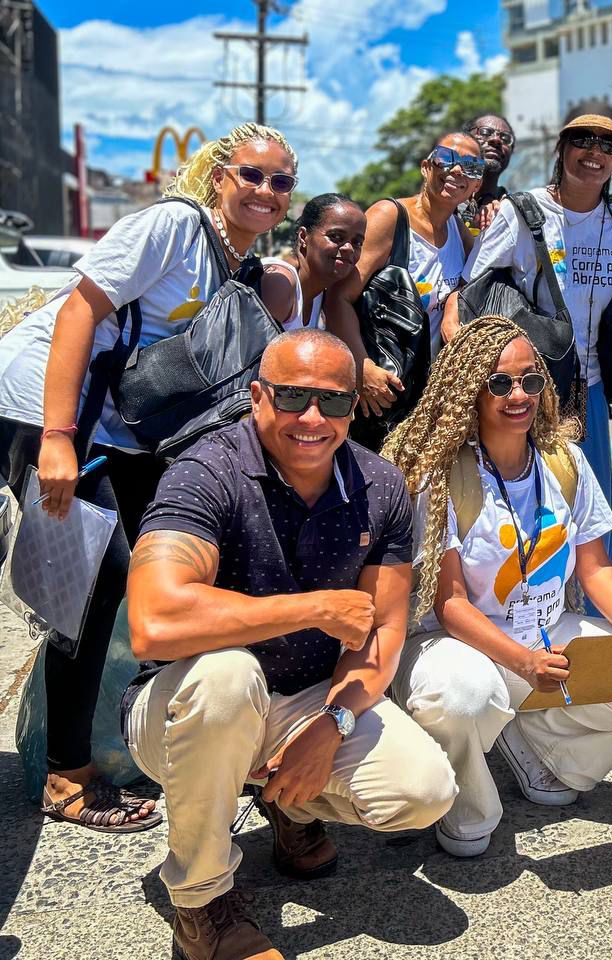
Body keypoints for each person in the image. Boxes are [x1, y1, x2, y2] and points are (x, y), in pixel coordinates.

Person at [0, 122, 297, 835]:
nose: (265, 191)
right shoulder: (174, 227)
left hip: (110, 426)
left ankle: (132, 735)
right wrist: (57, 439)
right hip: (40, 404)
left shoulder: (236, 266)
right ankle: (66, 774)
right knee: (98, 578)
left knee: (151, 569)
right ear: (220, 175)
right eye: (252, 175)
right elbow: (78, 312)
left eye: (280, 181)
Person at [123, 330, 456, 960]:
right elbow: (154, 618)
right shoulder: (207, 471)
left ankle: (293, 809)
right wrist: (313, 609)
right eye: (292, 397)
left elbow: (381, 633)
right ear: (257, 398)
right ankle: (201, 906)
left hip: (306, 698)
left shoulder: (381, 487)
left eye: (332, 401)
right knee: (227, 677)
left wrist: (331, 724)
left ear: (353, 407)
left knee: (425, 790)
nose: (312, 418)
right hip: (184, 705)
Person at [385, 315, 612, 858]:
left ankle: (540, 751)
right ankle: (469, 803)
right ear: (471, 390)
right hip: (462, 645)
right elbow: (451, 603)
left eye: (531, 380)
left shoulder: (565, 462)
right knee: (464, 698)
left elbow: (596, 568)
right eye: (501, 383)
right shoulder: (445, 475)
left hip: (545, 632)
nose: (520, 395)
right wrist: (523, 663)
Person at [443, 114, 612, 533]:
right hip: (532, 386)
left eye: (609, 146)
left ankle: (589, 602)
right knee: (531, 511)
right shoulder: (523, 212)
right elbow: (472, 284)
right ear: (561, 149)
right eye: (583, 141)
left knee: (591, 513)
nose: (595, 153)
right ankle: (535, 598)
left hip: (592, 388)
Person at [328, 131, 484, 445]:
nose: (457, 171)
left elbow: (469, 286)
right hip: (378, 392)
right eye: (447, 159)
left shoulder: (461, 234)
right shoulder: (390, 217)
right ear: (427, 167)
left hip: (426, 396)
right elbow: (337, 298)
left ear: (477, 185)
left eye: (471, 167)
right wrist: (362, 368)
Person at [259, 192, 365, 330]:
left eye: (357, 242)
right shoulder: (280, 281)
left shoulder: (320, 294)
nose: (349, 248)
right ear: (303, 236)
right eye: (336, 236)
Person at [462, 114, 516, 232]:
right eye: (485, 132)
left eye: (505, 138)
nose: (496, 140)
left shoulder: (515, 213)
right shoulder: (443, 202)